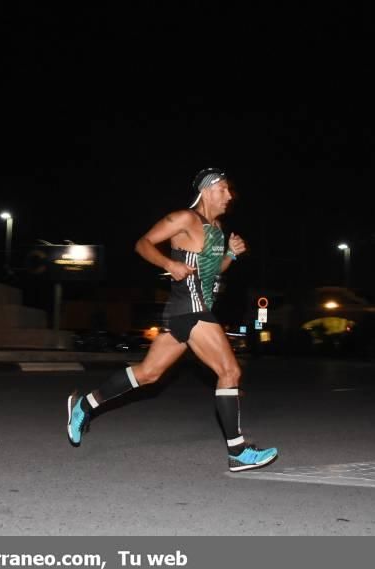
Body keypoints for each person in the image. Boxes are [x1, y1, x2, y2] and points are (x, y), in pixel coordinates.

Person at [67, 168, 278, 472]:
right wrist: (169, 263)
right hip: (190, 308)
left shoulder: (216, 228)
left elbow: (212, 271)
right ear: (206, 190)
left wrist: (231, 255)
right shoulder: (184, 219)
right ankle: (238, 451)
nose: (229, 196)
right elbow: (142, 244)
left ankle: (84, 406)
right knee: (229, 370)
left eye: (229, 191)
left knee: (148, 374)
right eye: (222, 189)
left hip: (189, 310)